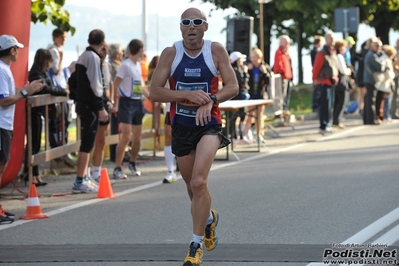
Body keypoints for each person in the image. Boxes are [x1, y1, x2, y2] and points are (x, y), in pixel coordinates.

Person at [149, 8, 238, 266]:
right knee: (191, 187)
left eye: (196, 22)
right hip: (181, 126)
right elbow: (154, 92)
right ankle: (209, 220)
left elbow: (233, 86)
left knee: (199, 182)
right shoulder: (171, 53)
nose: (191, 26)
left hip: (208, 124)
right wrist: (185, 97)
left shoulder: (215, 51)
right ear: (180, 28)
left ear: (205, 27)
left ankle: (195, 246)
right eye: (186, 22)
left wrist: (211, 99)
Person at [0, 35, 44, 224]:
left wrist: (26, 89)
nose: (18, 51)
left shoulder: (4, 70)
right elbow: (3, 101)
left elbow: (9, 93)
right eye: (17, 48)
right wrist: (26, 92)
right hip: (1, 123)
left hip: (5, 124)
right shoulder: (2, 70)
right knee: (0, 165)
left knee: (2, 164)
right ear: (12, 50)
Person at [72, 29, 113, 193]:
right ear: (102, 42)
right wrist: (101, 107)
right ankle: (79, 180)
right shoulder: (93, 58)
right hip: (90, 106)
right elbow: (96, 85)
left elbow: (73, 81)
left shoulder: (83, 56)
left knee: (88, 143)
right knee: (87, 143)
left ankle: (85, 176)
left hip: (85, 104)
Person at [22, 49, 69, 186]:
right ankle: (31, 174)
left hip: (39, 112)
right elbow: (46, 89)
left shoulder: (41, 73)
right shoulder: (36, 74)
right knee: (33, 144)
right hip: (34, 112)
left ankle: (34, 174)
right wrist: (63, 91)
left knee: (36, 143)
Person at [112, 39, 149, 179]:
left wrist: (150, 96)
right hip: (126, 103)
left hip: (137, 102)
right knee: (126, 136)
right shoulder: (125, 65)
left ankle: (133, 163)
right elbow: (115, 84)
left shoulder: (138, 65)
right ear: (139, 50)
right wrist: (114, 101)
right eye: (142, 49)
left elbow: (140, 84)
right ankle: (118, 167)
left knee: (138, 137)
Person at [47, 29, 74, 168]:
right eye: (62, 37)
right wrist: (62, 58)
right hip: (57, 89)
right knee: (58, 123)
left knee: (63, 123)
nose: (64, 40)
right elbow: (56, 70)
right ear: (55, 37)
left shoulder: (55, 50)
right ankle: (58, 151)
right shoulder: (54, 51)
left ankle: (62, 150)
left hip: (61, 88)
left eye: (65, 37)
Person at [88, 43, 114, 183]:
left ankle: (97, 172)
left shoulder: (107, 66)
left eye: (106, 49)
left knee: (101, 140)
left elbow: (110, 85)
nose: (103, 51)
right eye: (101, 49)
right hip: (93, 104)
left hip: (105, 102)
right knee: (90, 140)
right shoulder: (92, 62)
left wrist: (110, 101)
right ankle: (86, 172)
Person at [312, 31, 339, 134]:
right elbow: (316, 67)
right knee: (324, 105)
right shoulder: (322, 53)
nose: (332, 40)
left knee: (329, 105)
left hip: (331, 82)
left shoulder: (332, 52)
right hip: (323, 82)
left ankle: (327, 123)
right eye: (330, 38)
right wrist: (315, 79)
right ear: (326, 39)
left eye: (333, 38)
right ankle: (323, 125)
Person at [243, 47, 271, 143]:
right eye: (252, 57)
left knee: (259, 115)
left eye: (255, 57)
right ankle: (246, 134)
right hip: (250, 95)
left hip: (260, 95)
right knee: (250, 115)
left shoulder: (264, 66)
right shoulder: (248, 65)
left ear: (260, 57)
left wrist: (265, 73)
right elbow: (243, 78)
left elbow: (268, 82)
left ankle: (259, 134)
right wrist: (246, 70)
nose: (253, 59)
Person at [363, 38, 387, 125]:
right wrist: (384, 63)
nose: (379, 48)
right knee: (371, 100)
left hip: (370, 80)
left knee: (369, 99)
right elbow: (380, 67)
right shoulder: (371, 55)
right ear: (373, 46)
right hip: (371, 80)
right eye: (377, 46)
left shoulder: (374, 54)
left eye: (380, 46)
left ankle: (367, 119)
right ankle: (370, 119)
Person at [107, 43, 124, 162]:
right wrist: (114, 102)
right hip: (117, 100)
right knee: (116, 128)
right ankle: (114, 154)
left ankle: (120, 152)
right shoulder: (113, 66)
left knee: (120, 128)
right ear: (117, 53)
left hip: (120, 100)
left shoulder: (117, 65)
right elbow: (113, 84)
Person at [229, 51, 249, 142]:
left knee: (240, 116)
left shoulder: (231, 69)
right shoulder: (236, 71)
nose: (242, 61)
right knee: (237, 116)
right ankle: (236, 136)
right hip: (237, 97)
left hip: (236, 97)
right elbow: (243, 82)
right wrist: (245, 73)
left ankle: (239, 135)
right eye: (240, 59)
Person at [332, 39, 352, 129]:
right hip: (342, 81)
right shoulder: (339, 56)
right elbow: (343, 70)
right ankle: (337, 120)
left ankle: (335, 119)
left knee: (337, 101)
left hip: (336, 82)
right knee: (342, 101)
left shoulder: (334, 55)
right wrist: (349, 71)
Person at [273, 35, 293, 116]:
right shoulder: (279, 52)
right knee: (281, 96)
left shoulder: (286, 53)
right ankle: (280, 113)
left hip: (287, 77)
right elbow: (278, 65)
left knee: (286, 96)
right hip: (282, 77)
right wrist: (283, 73)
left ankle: (284, 111)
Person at [310, 35, 324, 112]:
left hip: (317, 72)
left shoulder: (316, 51)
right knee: (316, 90)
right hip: (317, 72)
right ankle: (315, 106)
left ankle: (317, 105)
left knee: (318, 90)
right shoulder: (315, 52)